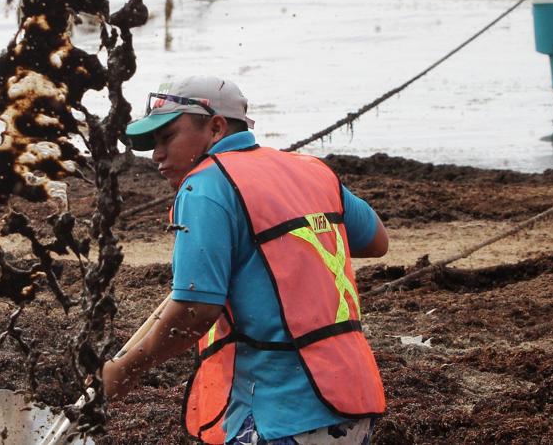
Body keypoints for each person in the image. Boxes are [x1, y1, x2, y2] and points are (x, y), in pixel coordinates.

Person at [103, 76, 389, 445]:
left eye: (167, 137)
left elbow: (194, 311)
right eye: (153, 143)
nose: (156, 154)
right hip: (354, 405)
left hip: (281, 414)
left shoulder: (204, 186)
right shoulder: (310, 170)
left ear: (216, 127)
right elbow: (375, 240)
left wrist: (125, 370)